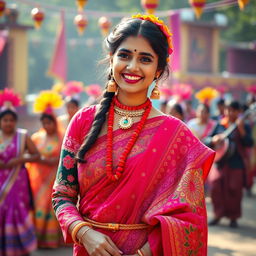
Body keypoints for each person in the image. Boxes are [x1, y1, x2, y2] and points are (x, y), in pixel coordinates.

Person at [52, 14, 215, 256]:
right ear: (111, 58)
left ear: (158, 70)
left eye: (145, 59)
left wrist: (144, 252)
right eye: (125, 55)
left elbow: (189, 217)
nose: (133, 67)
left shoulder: (176, 135)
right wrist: (85, 233)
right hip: (88, 250)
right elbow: (62, 195)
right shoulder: (83, 122)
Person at [0, 89, 39, 256]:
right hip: (1, 180)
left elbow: (36, 155)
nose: (8, 123)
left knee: (16, 210)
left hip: (17, 181)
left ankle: (21, 247)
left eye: (11, 120)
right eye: (5, 120)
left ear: (15, 121)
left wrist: (21, 159)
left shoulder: (22, 136)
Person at [206, 100, 254, 228]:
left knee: (234, 189)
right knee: (216, 187)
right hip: (220, 162)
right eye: (228, 110)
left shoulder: (244, 125)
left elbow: (249, 143)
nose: (230, 112)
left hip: (236, 162)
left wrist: (242, 130)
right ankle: (217, 215)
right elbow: (207, 140)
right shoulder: (219, 124)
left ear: (239, 112)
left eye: (233, 110)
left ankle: (233, 217)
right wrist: (213, 139)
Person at [26, 91, 64, 248]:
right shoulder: (36, 137)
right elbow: (30, 154)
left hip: (53, 180)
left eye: (50, 123)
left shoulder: (61, 137)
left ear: (55, 123)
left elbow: (63, 157)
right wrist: (39, 159)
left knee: (52, 207)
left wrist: (47, 160)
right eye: (44, 123)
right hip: (38, 181)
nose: (47, 126)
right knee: (38, 207)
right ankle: (36, 240)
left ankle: (52, 240)